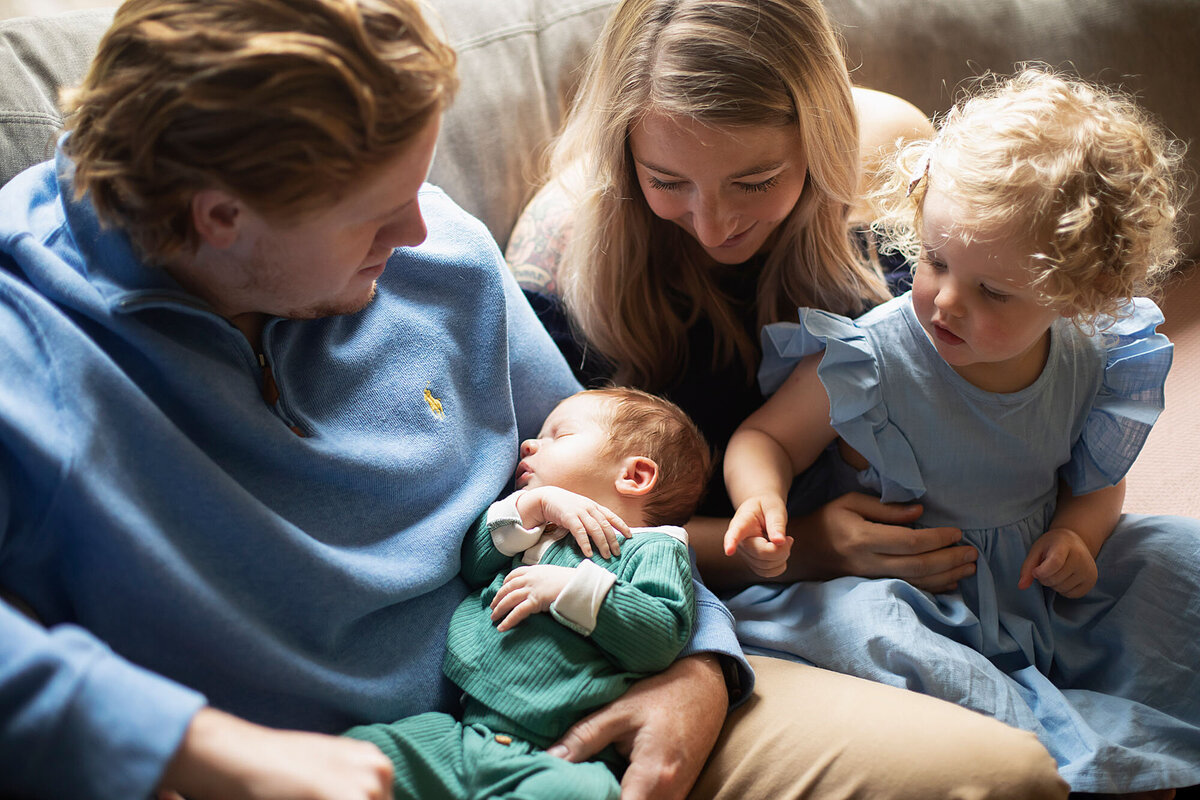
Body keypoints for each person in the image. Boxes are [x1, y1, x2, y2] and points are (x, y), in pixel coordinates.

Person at [0, 1, 753, 798]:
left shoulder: (440, 257)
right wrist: (199, 746)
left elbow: (614, 494)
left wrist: (701, 666)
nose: (424, 233)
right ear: (220, 217)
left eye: (418, 184)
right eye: (375, 214)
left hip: (598, 702)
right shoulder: (27, 344)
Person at [507, 1, 1067, 796]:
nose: (713, 223)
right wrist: (807, 543)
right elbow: (569, 520)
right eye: (667, 181)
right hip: (693, 589)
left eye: (756, 180)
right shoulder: (561, 271)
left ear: (821, 144)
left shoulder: (887, 199)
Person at [722, 67, 1200, 795]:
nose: (945, 300)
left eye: (992, 291)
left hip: (1036, 589)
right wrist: (762, 499)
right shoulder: (873, 358)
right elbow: (766, 440)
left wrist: (1079, 535)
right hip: (912, 594)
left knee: (1179, 563)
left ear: (1076, 293)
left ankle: (1104, 731)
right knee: (873, 637)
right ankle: (1042, 744)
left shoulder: (1092, 357)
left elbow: (1097, 484)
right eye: (936, 260)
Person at [344, 387, 710, 799]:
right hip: (462, 734)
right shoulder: (541, 527)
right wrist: (530, 507)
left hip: (555, 759)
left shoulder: (654, 548)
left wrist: (566, 588)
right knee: (361, 755)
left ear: (634, 476)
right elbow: (473, 565)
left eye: (560, 435)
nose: (529, 443)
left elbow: (659, 636)